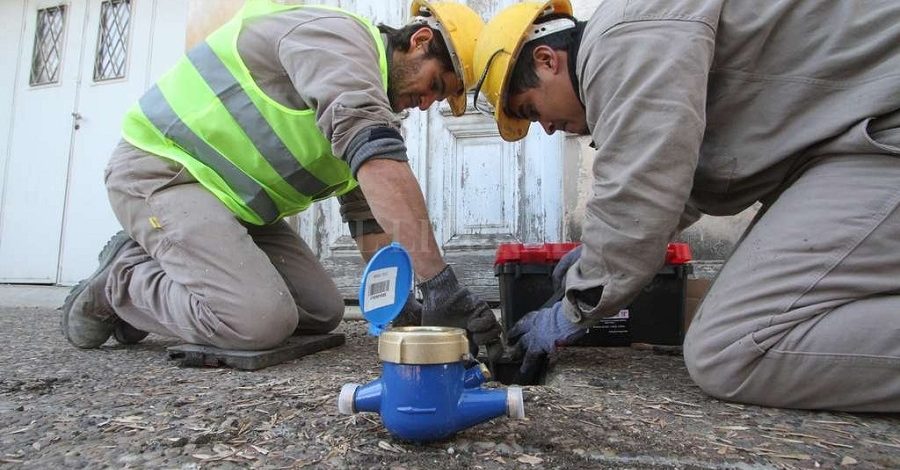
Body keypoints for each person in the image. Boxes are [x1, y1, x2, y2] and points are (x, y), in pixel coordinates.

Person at [473, 0, 900, 412]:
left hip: (879, 131)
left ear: (547, 60)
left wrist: (570, 311)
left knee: (729, 350)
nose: (547, 129)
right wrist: (599, 255)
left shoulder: (622, 40)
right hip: (851, 138)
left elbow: (641, 189)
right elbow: (676, 179)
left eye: (531, 110)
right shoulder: (635, 39)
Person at [61, 0, 502, 354]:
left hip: (233, 207)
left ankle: (178, 262)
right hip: (163, 172)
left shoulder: (368, 102)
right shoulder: (342, 43)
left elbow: (368, 217)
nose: (425, 104)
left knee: (321, 310)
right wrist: (440, 285)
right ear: (420, 41)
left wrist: (400, 303)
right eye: (436, 85)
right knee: (257, 322)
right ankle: (122, 280)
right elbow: (379, 162)